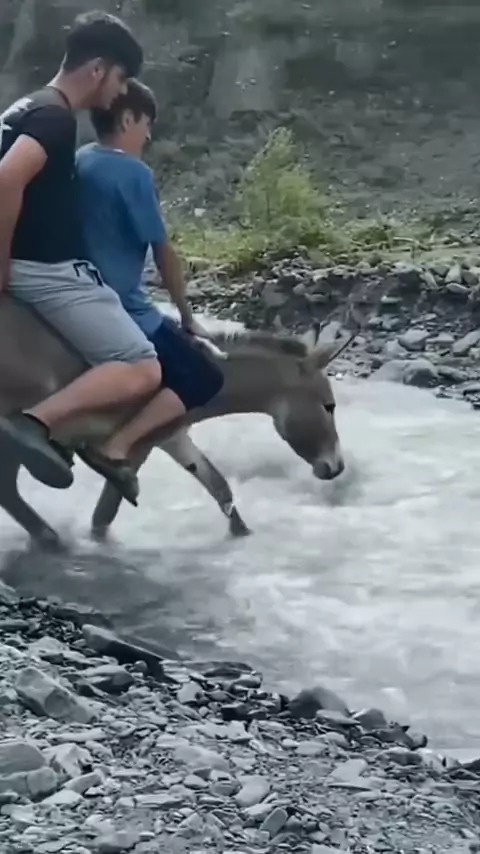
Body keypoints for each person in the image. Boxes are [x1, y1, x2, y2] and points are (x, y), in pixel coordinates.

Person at [0, 11, 163, 505]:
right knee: (142, 365)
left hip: (36, 263)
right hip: (45, 271)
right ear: (97, 69)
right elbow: (6, 179)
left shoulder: (26, 107)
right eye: (120, 79)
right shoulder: (55, 118)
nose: (120, 92)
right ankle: (36, 425)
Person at [74, 79, 224, 483]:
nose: (148, 135)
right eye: (146, 124)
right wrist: (188, 316)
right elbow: (163, 253)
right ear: (128, 119)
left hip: (75, 293)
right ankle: (114, 447)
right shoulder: (132, 173)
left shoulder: (82, 159)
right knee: (204, 376)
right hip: (121, 307)